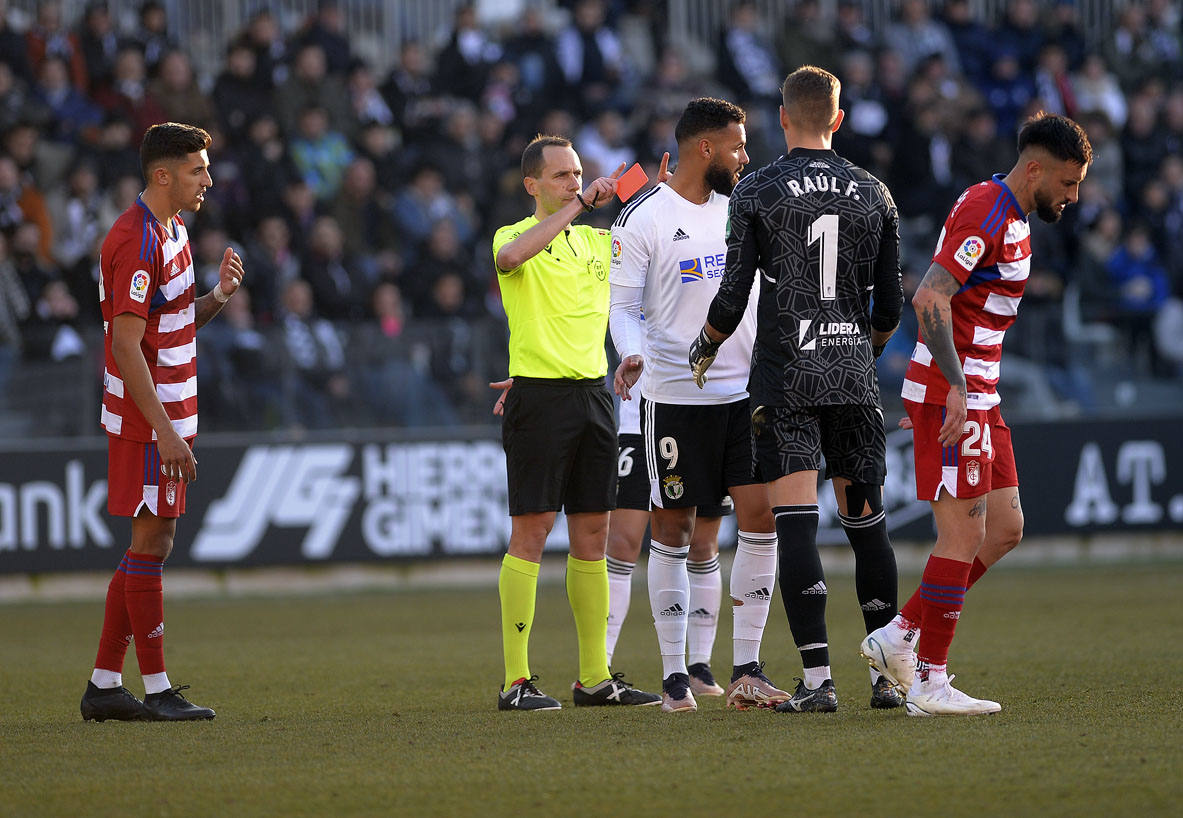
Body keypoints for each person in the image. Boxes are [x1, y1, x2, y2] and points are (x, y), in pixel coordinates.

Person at [860, 111, 1092, 716]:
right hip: (954, 391)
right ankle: (929, 681)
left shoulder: (1008, 214)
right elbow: (930, 294)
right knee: (962, 532)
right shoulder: (987, 210)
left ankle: (900, 633)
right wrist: (955, 388)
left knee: (1006, 528)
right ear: (1035, 168)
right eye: (1067, 184)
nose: (1073, 197)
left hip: (980, 392)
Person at [690, 67, 906, 714]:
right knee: (867, 527)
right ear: (837, 119)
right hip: (850, 377)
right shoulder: (875, 193)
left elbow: (732, 296)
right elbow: (890, 305)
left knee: (795, 527)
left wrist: (703, 346)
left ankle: (817, 682)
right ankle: (885, 679)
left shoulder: (755, 189)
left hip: (785, 376)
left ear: (782, 117)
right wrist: (858, 351)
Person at [611, 97, 789, 713]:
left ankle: (747, 666)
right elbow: (624, 306)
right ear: (705, 149)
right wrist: (630, 352)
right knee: (675, 529)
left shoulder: (744, 210)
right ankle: (673, 678)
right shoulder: (643, 218)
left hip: (746, 395)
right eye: (738, 146)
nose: (747, 157)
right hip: (675, 397)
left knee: (760, 519)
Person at [80, 122, 245, 722]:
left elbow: (167, 325)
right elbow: (127, 346)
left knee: (151, 541)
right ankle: (154, 689)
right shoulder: (135, 240)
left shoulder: (172, 229)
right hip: (148, 418)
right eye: (198, 169)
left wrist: (219, 296)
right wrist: (165, 432)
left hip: (171, 409)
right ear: (162, 174)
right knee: (154, 541)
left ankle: (104, 684)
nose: (208, 179)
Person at [490, 134, 660, 711]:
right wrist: (580, 204)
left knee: (592, 538)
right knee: (532, 534)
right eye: (560, 175)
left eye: (577, 173)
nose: (572, 181)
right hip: (538, 401)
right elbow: (512, 262)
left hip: (593, 397)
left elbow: (648, 236)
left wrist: (652, 187)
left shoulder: (597, 241)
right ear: (531, 184)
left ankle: (594, 677)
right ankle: (516, 681)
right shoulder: (513, 236)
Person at [605, 388, 728, 700]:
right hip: (639, 421)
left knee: (703, 545)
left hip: (710, 415)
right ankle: (599, 667)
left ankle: (699, 666)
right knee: (621, 543)